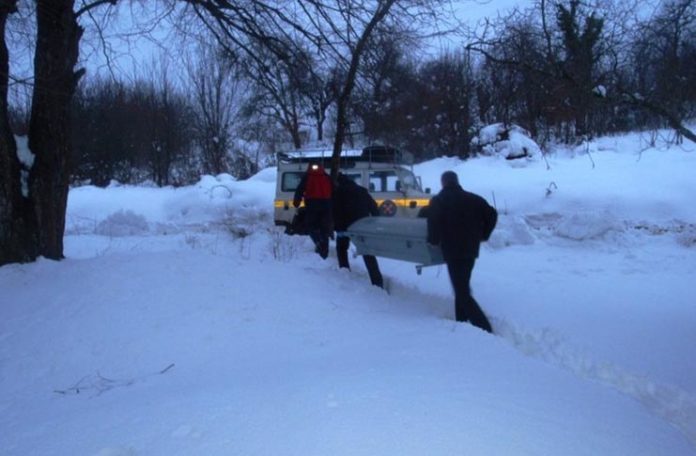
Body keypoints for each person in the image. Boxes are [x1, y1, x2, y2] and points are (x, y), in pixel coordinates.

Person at [426, 170, 497, 333]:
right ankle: (462, 322)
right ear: (456, 182)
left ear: (443, 183)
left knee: (461, 290)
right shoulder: (474, 199)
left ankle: (484, 327)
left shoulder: (439, 200)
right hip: (471, 249)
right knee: (462, 285)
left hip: (452, 250)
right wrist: (484, 234)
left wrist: (434, 241)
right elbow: (492, 214)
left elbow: (433, 222)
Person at [332, 173, 384, 288]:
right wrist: (373, 222)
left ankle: (345, 272)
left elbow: (336, 212)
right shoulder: (362, 190)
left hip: (345, 226)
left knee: (341, 249)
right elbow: (374, 207)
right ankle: (377, 282)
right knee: (367, 252)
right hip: (362, 225)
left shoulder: (338, 193)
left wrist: (337, 228)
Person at [293, 163, 333, 259]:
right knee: (324, 228)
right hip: (326, 205)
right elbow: (334, 188)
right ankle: (325, 253)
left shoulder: (307, 177)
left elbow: (299, 190)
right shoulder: (326, 176)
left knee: (311, 226)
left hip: (312, 205)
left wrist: (296, 203)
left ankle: (318, 243)